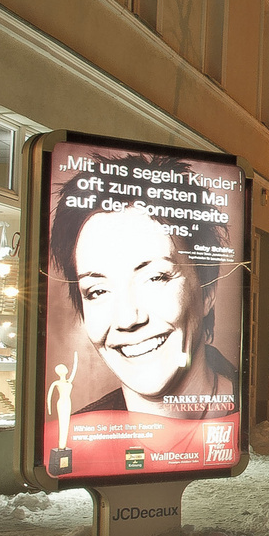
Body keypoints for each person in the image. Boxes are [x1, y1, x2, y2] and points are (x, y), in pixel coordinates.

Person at [47, 153, 238, 419]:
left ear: (207, 291)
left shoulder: (245, 413)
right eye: (98, 291)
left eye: (156, 277)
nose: (128, 318)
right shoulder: (73, 436)